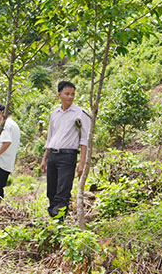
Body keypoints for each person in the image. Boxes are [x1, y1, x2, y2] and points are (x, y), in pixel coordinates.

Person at [40, 81, 91, 220]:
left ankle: (59, 221)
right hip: (53, 155)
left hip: (68, 156)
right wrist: (45, 158)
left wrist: (82, 163)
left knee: (63, 190)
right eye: (67, 94)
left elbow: (84, 140)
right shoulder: (54, 114)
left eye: (73, 94)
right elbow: (50, 137)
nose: (70, 97)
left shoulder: (80, 113)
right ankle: (54, 217)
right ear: (59, 95)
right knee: (51, 190)